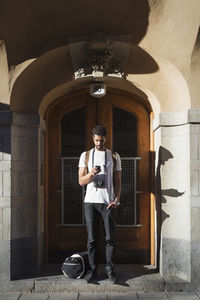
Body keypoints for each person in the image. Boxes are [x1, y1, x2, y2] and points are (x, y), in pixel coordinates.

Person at [78, 125, 122, 283]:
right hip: (90, 202)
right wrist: (91, 174)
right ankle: (93, 270)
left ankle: (110, 271)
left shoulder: (114, 156)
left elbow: (118, 181)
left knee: (110, 238)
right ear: (92, 138)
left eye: (101, 140)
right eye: (96, 140)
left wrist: (116, 199)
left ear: (106, 138)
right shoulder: (86, 156)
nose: (99, 143)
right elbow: (81, 181)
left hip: (108, 203)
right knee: (92, 239)